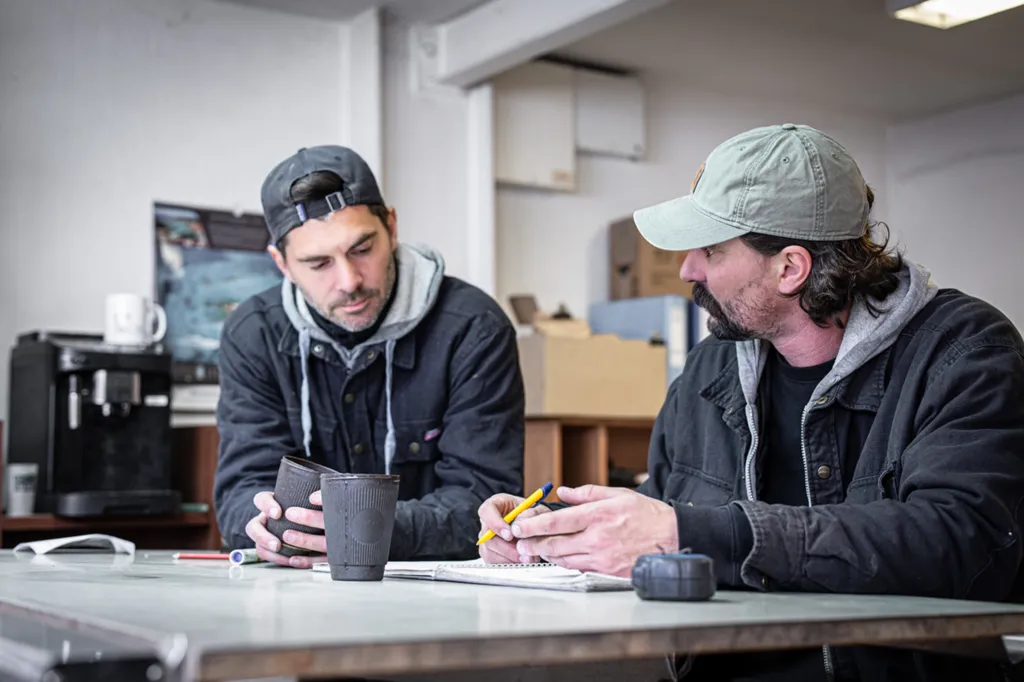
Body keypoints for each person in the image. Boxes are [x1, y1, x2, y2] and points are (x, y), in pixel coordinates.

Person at [477, 124, 1024, 682]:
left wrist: (695, 536)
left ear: (790, 268)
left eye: (711, 249)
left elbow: (961, 540)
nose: (688, 268)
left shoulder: (963, 350)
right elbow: (669, 506)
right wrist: (548, 532)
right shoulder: (711, 365)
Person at [215, 144, 525, 569]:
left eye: (362, 250)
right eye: (318, 263)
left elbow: (484, 499)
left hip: (434, 591)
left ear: (392, 228)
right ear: (282, 264)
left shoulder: (474, 328)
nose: (350, 281)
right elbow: (241, 489)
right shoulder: (253, 334)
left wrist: (363, 532)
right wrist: (258, 524)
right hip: (294, 587)